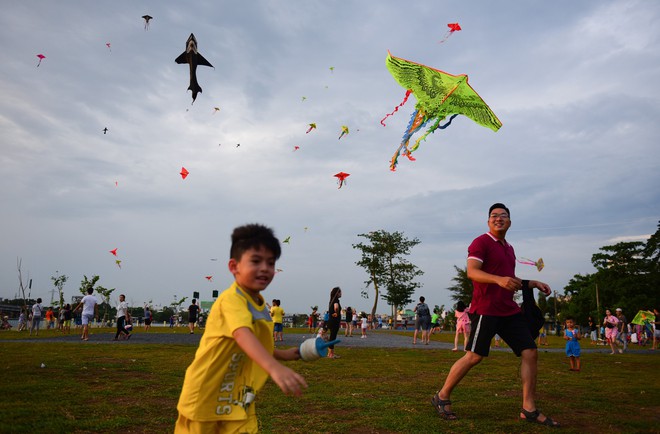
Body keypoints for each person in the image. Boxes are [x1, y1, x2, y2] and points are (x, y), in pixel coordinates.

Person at [433, 203, 559, 427]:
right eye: (494, 216)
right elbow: (472, 271)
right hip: (486, 309)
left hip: (508, 310)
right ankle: (441, 396)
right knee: (474, 356)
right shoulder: (481, 242)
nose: (498, 218)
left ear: (509, 222)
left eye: (503, 216)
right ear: (488, 221)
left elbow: (510, 279)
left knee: (530, 351)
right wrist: (498, 279)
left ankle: (528, 408)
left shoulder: (509, 248)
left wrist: (533, 283)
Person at [175, 224, 307, 433]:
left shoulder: (260, 304)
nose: (265, 268)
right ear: (234, 267)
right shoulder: (232, 299)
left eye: (271, 263)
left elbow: (249, 343)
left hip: (235, 399)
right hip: (204, 398)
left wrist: (280, 355)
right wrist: (273, 368)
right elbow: (241, 334)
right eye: (256, 261)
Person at [326, 287, 342, 358]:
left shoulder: (331, 300)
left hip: (331, 321)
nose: (341, 293)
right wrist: (337, 313)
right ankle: (331, 354)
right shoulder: (336, 300)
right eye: (340, 292)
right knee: (333, 337)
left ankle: (330, 353)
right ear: (337, 293)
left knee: (332, 337)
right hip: (334, 321)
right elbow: (336, 307)